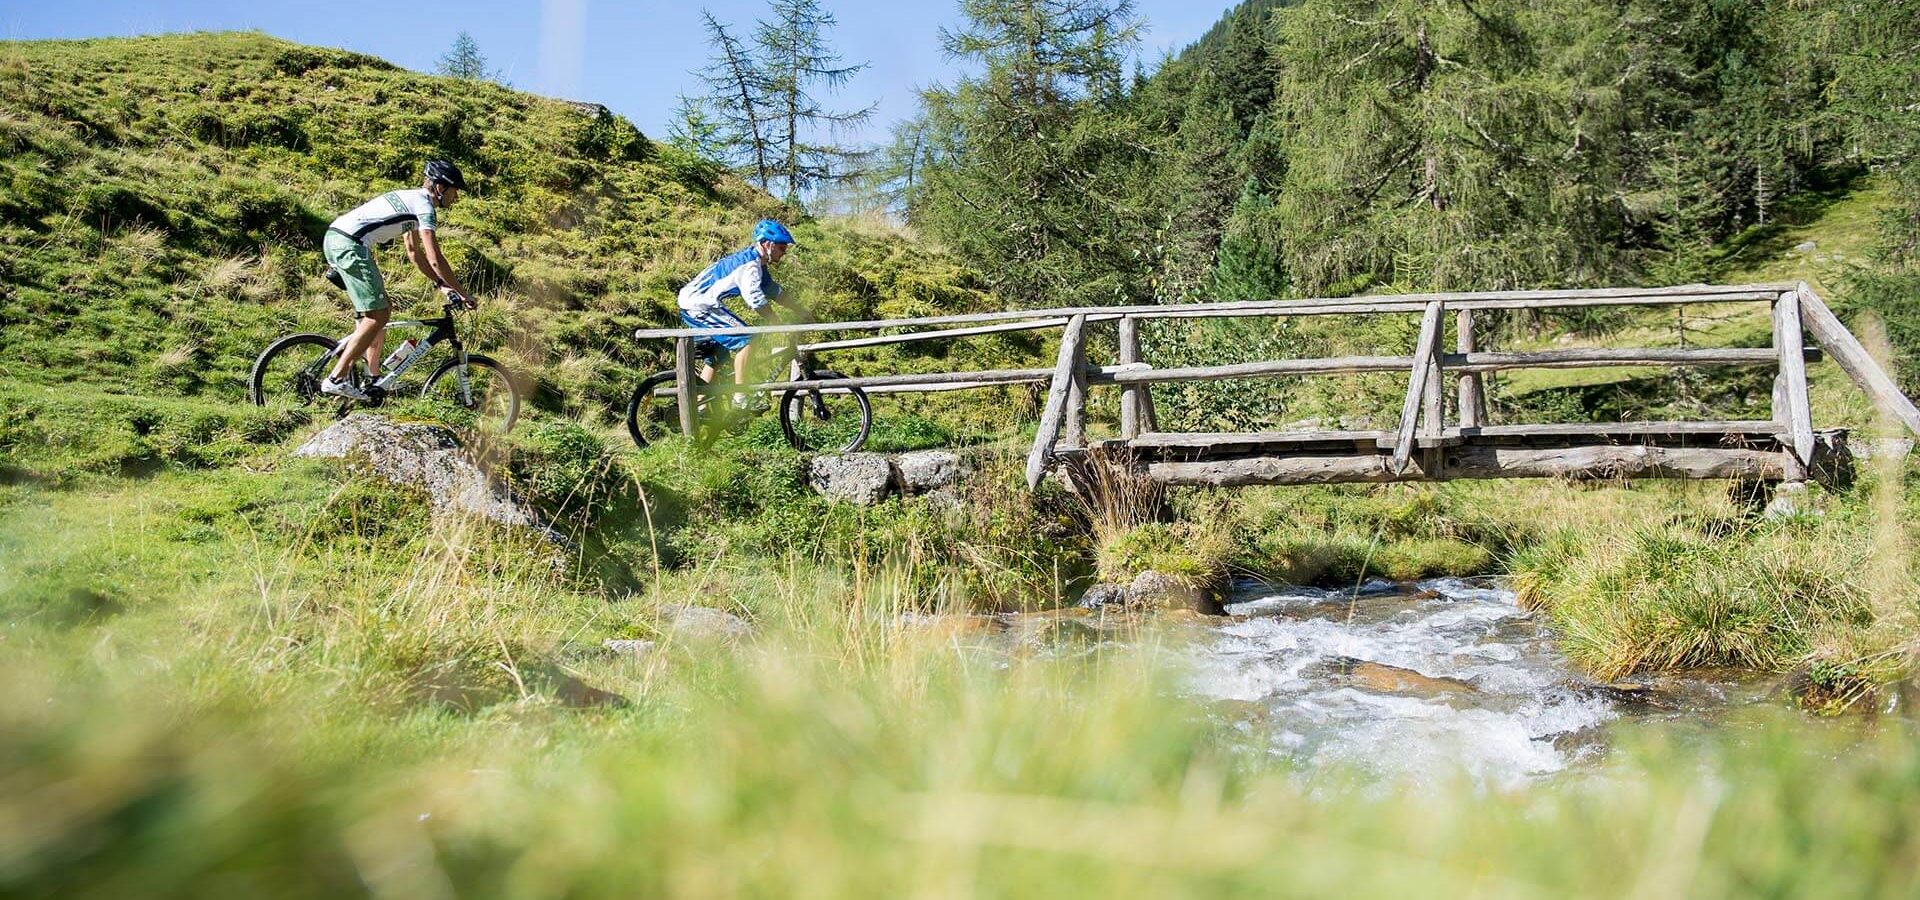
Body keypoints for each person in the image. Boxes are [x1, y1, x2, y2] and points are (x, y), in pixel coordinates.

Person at [319, 160, 476, 400]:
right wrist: (463, 293)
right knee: (379, 314)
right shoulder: (424, 207)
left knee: (378, 312)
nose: (456, 199)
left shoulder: (413, 200)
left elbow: (414, 253)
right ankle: (336, 378)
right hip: (350, 245)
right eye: (455, 192)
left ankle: (372, 379)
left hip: (338, 239)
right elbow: (435, 258)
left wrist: (441, 285)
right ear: (441, 188)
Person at [676, 219, 806, 412]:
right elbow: (756, 300)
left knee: (717, 356)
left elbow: (776, 292)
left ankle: (699, 406)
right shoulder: (750, 266)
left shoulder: (758, 265)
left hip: (699, 302)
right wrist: (776, 322)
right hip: (698, 305)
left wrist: (802, 311)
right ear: (767, 244)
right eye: (781, 247)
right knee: (748, 339)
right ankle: (740, 397)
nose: (784, 252)